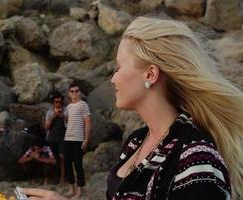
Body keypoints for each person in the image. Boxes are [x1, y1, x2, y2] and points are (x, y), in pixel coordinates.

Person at [22, 16, 243, 200]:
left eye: (118, 68)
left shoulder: (195, 160)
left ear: (150, 74)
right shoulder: (136, 141)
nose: (113, 79)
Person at [61, 84, 91, 198]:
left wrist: (86, 139)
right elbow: (68, 123)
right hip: (67, 138)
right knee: (67, 164)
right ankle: (71, 189)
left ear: (79, 92)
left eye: (76, 91)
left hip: (78, 139)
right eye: (72, 91)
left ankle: (79, 191)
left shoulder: (83, 105)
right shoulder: (68, 107)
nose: (74, 93)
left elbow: (87, 122)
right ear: (69, 93)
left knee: (78, 166)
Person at [44, 92, 67, 183]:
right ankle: (53, 177)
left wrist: (63, 116)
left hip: (63, 137)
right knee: (53, 158)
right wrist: (53, 116)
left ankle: (63, 177)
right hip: (52, 138)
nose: (58, 104)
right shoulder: (50, 112)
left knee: (62, 157)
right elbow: (46, 126)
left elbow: (69, 124)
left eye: (60, 102)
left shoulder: (66, 110)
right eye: (56, 102)